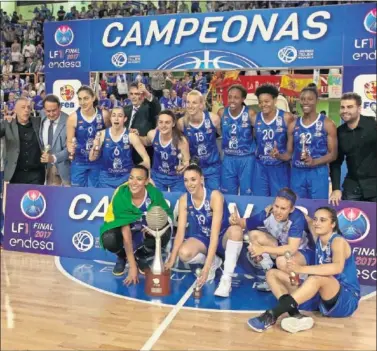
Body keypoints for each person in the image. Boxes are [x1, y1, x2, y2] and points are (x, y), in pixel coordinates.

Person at [247, 207, 360, 333]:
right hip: (321, 296)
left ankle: (271, 315)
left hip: (345, 299)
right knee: (272, 274)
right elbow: (305, 218)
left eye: (323, 220)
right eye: (316, 219)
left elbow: (336, 268)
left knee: (316, 278)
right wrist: (276, 207)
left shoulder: (337, 241)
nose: (317, 222)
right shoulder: (319, 238)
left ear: (333, 224)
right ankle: (296, 315)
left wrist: (301, 269)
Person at [165, 164, 244, 297]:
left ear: (201, 179)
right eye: (186, 180)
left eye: (193, 179)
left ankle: (226, 279)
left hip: (221, 237)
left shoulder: (215, 196)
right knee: (183, 253)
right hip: (203, 237)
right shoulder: (184, 200)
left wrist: (205, 269)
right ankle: (214, 262)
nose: (189, 184)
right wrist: (172, 258)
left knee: (236, 231)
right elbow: (180, 233)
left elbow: (214, 234)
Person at [230, 188, 315, 291]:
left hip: (303, 252)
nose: (278, 211)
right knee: (254, 235)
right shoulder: (268, 213)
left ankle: (298, 285)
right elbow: (245, 223)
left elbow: (292, 249)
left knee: (282, 261)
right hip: (282, 247)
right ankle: (271, 278)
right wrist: (235, 220)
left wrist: (263, 249)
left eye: (283, 209)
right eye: (276, 206)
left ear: (291, 209)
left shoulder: (297, 218)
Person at [100, 165, 173, 280]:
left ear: (146, 181)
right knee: (109, 238)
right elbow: (125, 230)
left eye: (139, 179)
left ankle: (141, 255)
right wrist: (132, 266)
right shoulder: (121, 195)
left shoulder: (154, 194)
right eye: (131, 178)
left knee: (163, 231)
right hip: (125, 231)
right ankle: (122, 256)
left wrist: (153, 226)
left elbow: (165, 216)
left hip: (143, 231)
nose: (133, 182)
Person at [291, 85, 337, 199]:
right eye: (302, 99)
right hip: (297, 172)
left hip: (318, 172)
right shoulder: (293, 124)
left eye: (310, 99)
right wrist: (278, 154)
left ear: (317, 100)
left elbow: (333, 154)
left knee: (318, 207)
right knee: (298, 206)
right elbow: (289, 152)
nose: (305, 102)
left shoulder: (327, 124)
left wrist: (315, 162)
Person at [330, 93, 377, 204]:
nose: (345, 110)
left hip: (374, 185)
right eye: (342, 107)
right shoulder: (339, 132)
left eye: (350, 107)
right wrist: (336, 189)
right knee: (348, 220)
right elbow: (336, 162)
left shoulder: (373, 125)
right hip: (352, 186)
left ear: (359, 109)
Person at [90, 107, 150, 189]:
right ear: (110, 118)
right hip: (106, 180)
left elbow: (146, 159)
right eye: (114, 115)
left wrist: (135, 172)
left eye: (120, 116)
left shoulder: (131, 136)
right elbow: (91, 158)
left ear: (125, 119)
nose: (116, 118)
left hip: (126, 180)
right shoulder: (101, 134)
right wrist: (94, 149)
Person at [253, 84, 295, 197]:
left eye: (266, 101)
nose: (263, 105)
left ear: (275, 100)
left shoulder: (287, 117)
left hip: (279, 167)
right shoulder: (255, 118)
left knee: (279, 200)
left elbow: (293, 145)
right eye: (260, 102)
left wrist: (282, 156)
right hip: (260, 167)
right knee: (260, 200)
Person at [67, 85, 110, 187]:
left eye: (86, 98)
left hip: (98, 162)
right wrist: (70, 148)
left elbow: (111, 135)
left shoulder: (104, 115)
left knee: (96, 193)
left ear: (93, 98)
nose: (82, 102)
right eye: (80, 99)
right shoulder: (73, 117)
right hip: (79, 162)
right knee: (77, 193)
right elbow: (69, 141)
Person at [177, 90, 222, 191]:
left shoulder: (213, 119)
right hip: (193, 167)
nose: (190, 106)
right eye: (188, 102)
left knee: (214, 196)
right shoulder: (181, 123)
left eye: (194, 102)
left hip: (212, 167)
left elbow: (223, 137)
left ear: (201, 104)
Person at [218, 84, 256, 195]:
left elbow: (257, 134)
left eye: (236, 97)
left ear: (243, 99)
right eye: (230, 97)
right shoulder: (221, 112)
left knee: (247, 193)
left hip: (246, 158)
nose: (232, 100)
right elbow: (220, 132)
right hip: (228, 158)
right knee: (228, 193)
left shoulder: (250, 113)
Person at [139, 110, 189, 192]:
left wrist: (183, 166)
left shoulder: (181, 140)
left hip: (176, 177)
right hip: (157, 176)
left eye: (167, 122)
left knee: (177, 201)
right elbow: (146, 141)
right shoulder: (153, 134)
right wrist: (135, 135)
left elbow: (187, 161)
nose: (163, 125)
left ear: (173, 124)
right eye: (161, 122)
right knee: (157, 202)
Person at [0, 97, 45, 184]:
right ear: (15, 110)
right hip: (15, 174)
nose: (26, 110)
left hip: (36, 174)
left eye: (28, 107)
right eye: (23, 107)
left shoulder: (38, 122)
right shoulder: (7, 124)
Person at [124, 82, 161, 165]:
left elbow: (157, 107)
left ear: (142, 95)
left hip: (144, 153)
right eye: (131, 94)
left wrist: (147, 93)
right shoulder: (125, 109)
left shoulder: (149, 108)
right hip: (126, 154)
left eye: (136, 94)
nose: (133, 96)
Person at [39, 94, 70, 186]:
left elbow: (70, 148)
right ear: (44, 110)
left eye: (54, 110)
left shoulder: (69, 121)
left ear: (60, 107)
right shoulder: (41, 119)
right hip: (44, 171)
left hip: (64, 171)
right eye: (48, 111)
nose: (51, 114)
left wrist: (53, 158)